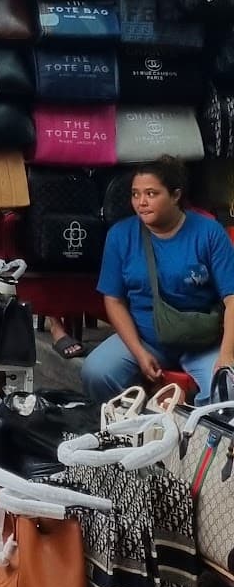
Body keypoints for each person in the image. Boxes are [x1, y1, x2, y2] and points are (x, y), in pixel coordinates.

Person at [82, 158, 234, 404]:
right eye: (135, 194)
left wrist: (226, 356)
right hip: (146, 339)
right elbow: (114, 300)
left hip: (203, 342)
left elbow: (232, 299)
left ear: (175, 195)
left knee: (224, 391)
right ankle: (132, 428)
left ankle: (193, 438)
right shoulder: (120, 235)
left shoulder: (209, 233)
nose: (141, 203)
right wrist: (139, 353)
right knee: (96, 372)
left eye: (151, 194)